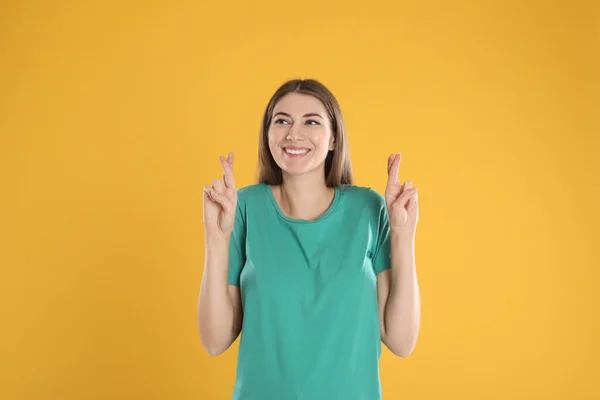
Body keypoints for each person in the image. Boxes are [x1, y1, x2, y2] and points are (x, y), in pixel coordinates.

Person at [198, 79, 421, 400]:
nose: (294, 133)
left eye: (311, 121)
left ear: (333, 139)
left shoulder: (368, 209)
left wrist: (403, 234)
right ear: (268, 134)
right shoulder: (243, 207)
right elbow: (214, 341)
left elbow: (401, 341)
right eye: (282, 120)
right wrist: (216, 239)